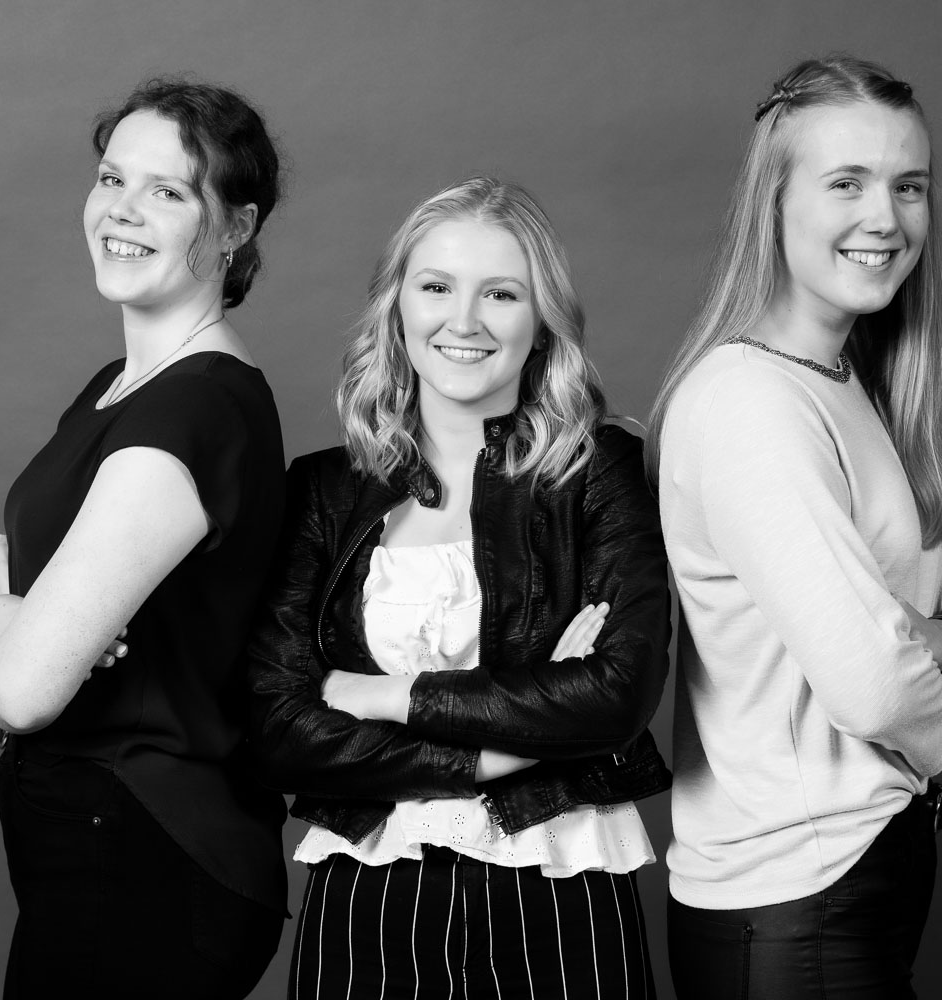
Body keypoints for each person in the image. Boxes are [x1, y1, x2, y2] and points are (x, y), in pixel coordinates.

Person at [650, 55, 942, 998]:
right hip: (792, 904)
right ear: (773, 202)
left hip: (853, 880)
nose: (885, 219)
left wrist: (941, 641)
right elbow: (876, 687)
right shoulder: (749, 402)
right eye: (847, 183)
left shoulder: (854, 384)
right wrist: (941, 697)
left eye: (909, 186)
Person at [248, 176, 672, 999]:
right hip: (368, 893)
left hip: (560, 886)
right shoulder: (323, 492)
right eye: (437, 287)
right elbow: (279, 728)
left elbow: (616, 695)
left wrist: (381, 695)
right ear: (396, 306)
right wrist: (511, 740)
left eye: (501, 294)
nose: (465, 321)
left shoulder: (600, 472)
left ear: (541, 322)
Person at [0, 77, 287, 998]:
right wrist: (1, 618)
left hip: (147, 862)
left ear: (236, 226)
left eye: (167, 191)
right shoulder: (115, 390)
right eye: (110, 179)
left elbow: (20, 693)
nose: (121, 211)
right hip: (94, 858)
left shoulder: (194, 413)